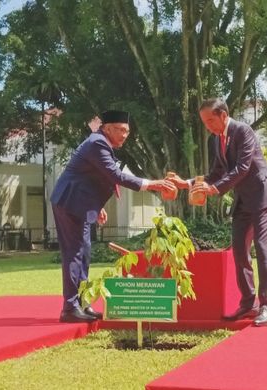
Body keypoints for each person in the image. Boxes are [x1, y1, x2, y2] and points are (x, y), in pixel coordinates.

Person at [50, 110, 175, 323]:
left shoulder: (100, 143)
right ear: (107, 128)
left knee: (84, 253)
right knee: (75, 253)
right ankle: (70, 308)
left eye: (127, 132)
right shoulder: (97, 143)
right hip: (70, 202)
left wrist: (96, 207)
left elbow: (94, 177)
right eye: (121, 130)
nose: (125, 135)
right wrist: (152, 184)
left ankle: (82, 303)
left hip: (80, 202)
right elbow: (115, 175)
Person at [168, 98, 267, 327]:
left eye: (210, 120)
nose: (208, 126)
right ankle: (248, 303)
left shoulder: (243, 131)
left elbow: (243, 167)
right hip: (242, 200)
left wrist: (215, 189)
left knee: (262, 247)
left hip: (262, 196)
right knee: (239, 249)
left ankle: (266, 306)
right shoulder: (214, 140)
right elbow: (216, 172)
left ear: (223, 115)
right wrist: (187, 183)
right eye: (204, 122)